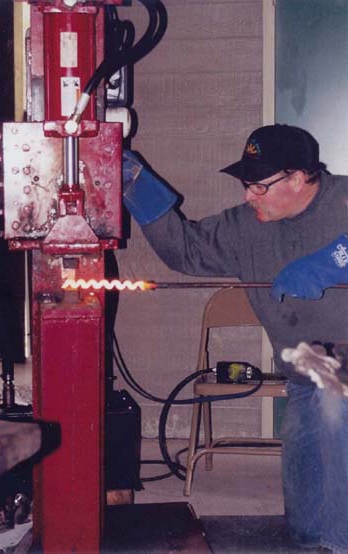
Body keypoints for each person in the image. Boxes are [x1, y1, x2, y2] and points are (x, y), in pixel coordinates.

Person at [122, 124, 348, 553]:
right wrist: (137, 188)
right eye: (246, 186)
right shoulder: (247, 227)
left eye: (258, 187)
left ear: (298, 178)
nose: (248, 197)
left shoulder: (343, 199)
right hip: (304, 374)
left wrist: (333, 262)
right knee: (305, 525)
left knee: (336, 410)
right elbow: (185, 250)